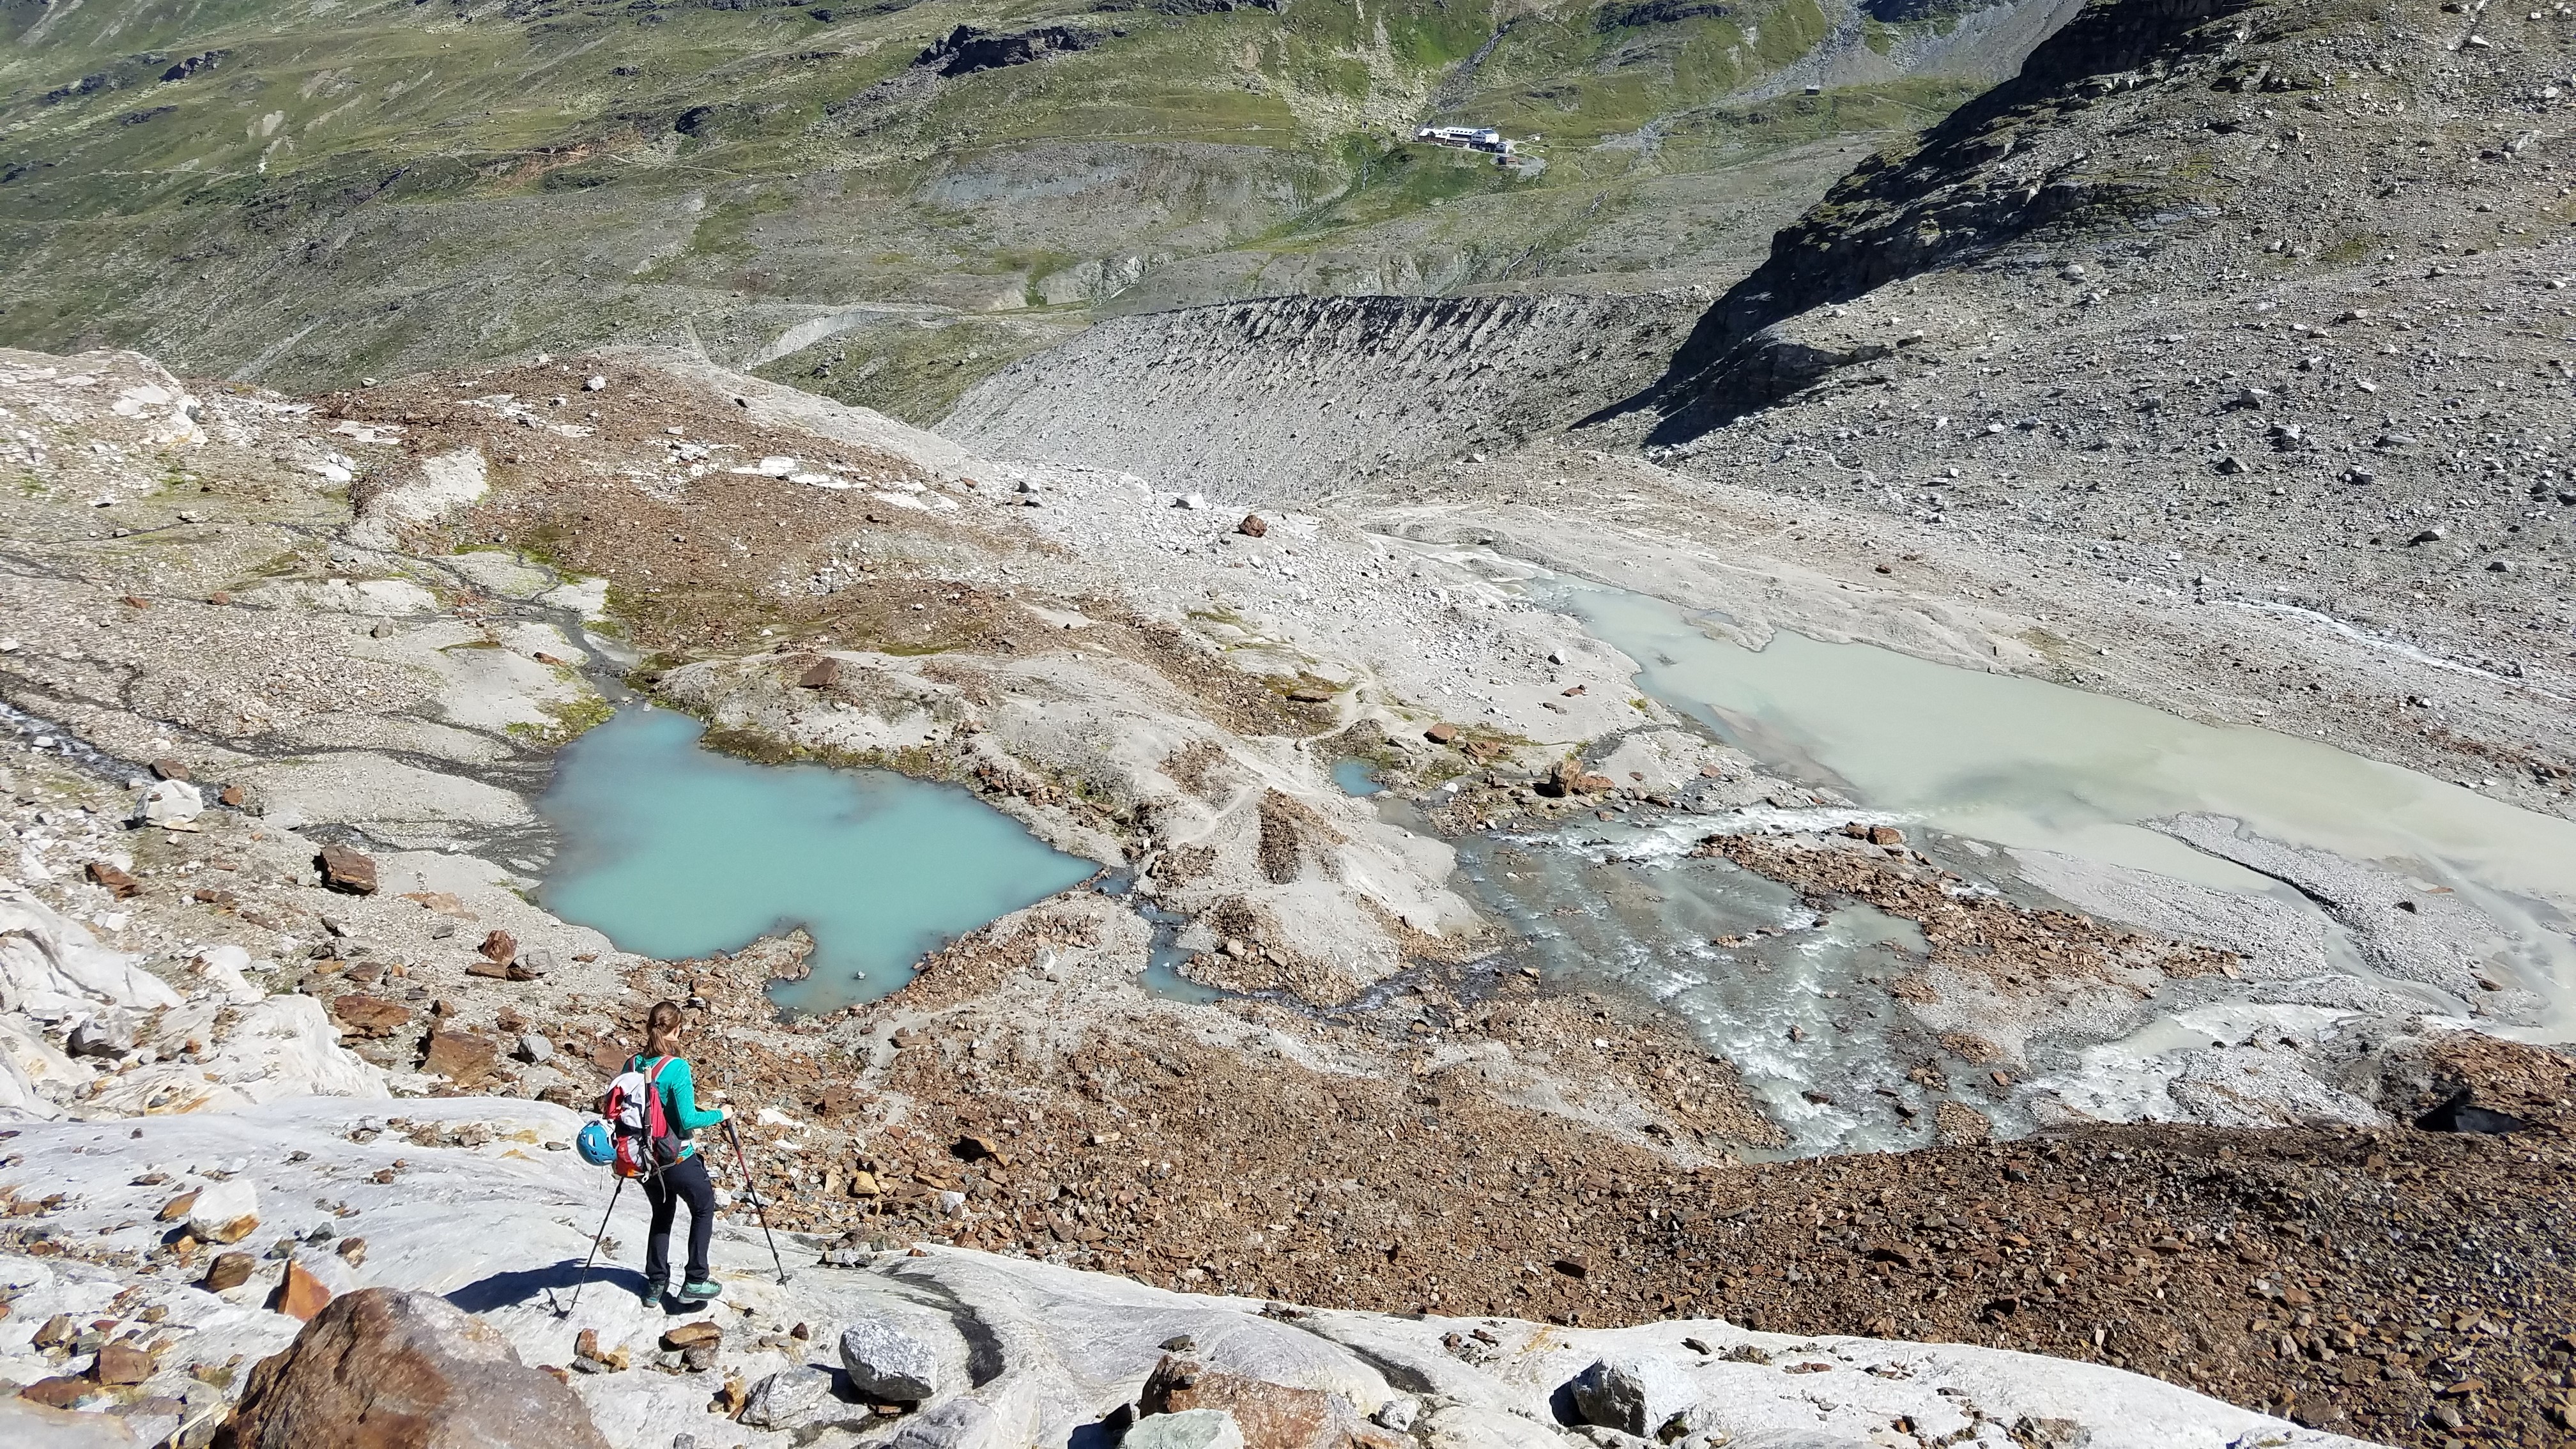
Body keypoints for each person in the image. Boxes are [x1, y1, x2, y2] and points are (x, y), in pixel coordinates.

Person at [625, 1000, 730, 1307]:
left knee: (662, 1212)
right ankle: (696, 1280)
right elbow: (687, 1120)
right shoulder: (677, 1067)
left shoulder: (632, 1064)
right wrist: (720, 1114)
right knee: (703, 1207)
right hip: (676, 1158)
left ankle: (656, 1283)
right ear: (676, 1031)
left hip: (643, 1157)